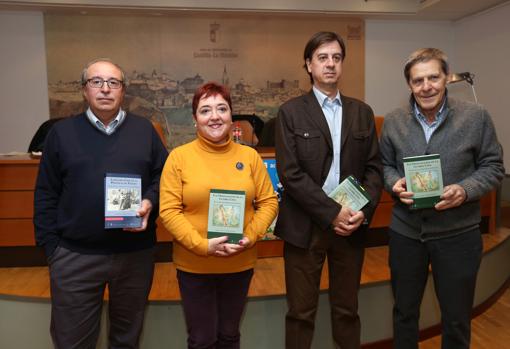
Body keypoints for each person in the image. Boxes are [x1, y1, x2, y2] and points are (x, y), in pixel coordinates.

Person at [33, 58, 169, 348]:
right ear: (85, 90)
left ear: (123, 91)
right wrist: (51, 251)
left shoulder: (145, 131)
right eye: (96, 82)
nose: (105, 89)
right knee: (72, 342)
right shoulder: (61, 133)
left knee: (126, 340)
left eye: (113, 83)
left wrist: (149, 200)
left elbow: (164, 177)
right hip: (74, 257)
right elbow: (45, 193)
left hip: (135, 256)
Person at [379, 48, 504, 349]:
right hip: (406, 234)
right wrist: (395, 183)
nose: (427, 86)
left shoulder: (476, 117)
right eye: (418, 80)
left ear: (447, 77)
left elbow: (493, 166)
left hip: (458, 235)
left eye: (433, 77)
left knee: (457, 318)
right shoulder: (394, 121)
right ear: (409, 85)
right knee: (404, 314)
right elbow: (384, 166)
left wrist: (465, 190)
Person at [274, 31, 383, 348]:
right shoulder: (291, 112)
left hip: (351, 227)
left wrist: (360, 214)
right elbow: (291, 174)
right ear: (309, 64)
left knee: (347, 310)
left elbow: (374, 169)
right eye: (322, 58)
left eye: (336, 57)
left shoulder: (362, 112)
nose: (330, 64)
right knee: (300, 313)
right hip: (304, 228)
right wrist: (332, 212)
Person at [159, 82, 278, 349]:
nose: (214, 116)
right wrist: (201, 245)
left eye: (221, 108)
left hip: (239, 263)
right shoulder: (178, 158)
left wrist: (249, 236)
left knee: (229, 336)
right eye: (205, 110)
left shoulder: (250, 157)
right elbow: (168, 210)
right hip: (194, 265)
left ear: (231, 116)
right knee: (202, 340)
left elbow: (269, 202)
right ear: (195, 119)